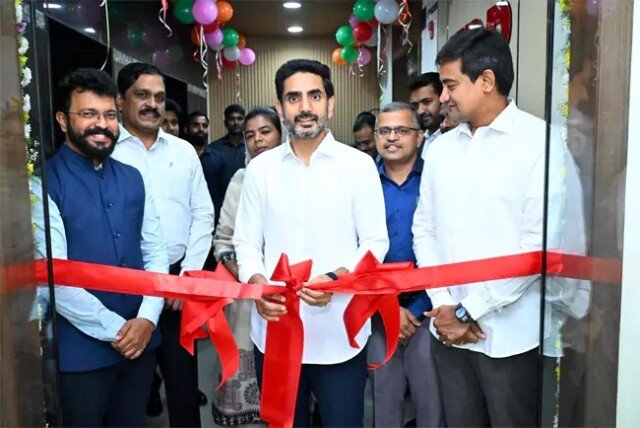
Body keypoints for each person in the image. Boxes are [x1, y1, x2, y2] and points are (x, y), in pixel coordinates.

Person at [412, 28, 564, 427]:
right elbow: (424, 230)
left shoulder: (541, 143)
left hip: (511, 339)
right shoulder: (440, 149)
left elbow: (537, 248)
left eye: (450, 85)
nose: (443, 97)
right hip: (448, 334)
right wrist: (445, 306)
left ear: (486, 80)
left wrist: (469, 309)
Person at [234, 59, 389, 427]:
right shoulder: (260, 169)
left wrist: (338, 279)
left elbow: (375, 241)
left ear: (330, 104)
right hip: (275, 331)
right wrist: (257, 284)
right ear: (280, 108)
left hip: (339, 333)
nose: (305, 107)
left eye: (314, 96)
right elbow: (246, 241)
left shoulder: (359, 165)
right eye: (294, 98)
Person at [35, 68, 168, 426]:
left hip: (141, 345)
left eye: (110, 115)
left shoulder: (133, 176)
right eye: (88, 114)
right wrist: (119, 330)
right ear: (63, 120)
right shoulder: (43, 183)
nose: (102, 125)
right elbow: (54, 275)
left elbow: (156, 252)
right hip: (82, 355)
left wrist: (147, 318)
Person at [112, 62, 214, 428]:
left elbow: (203, 215)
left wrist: (187, 278)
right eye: (142, 95)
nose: (152, 104)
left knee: (183, 383)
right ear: (120, 100)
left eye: (158, 97)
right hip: (124, 283)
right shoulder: (107, 151)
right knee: (129, 387)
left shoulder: (183, 151)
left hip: (176, 286)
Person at [368, 102, 443, 428]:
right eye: (384, 131)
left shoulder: (438, 179)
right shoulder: (362, 181)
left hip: (430, 309)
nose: (392, 138)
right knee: (383, 402)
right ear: (375, 137)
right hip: (375, 310)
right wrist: (388, 307)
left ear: (420, 137)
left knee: (432, 403)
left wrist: (416, 308)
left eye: (402, 130)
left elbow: (447, 247)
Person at [210, 107, 283, 425]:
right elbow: (223, 240)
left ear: (281, 134)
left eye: (265, 132)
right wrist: (250, 278)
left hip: (292, 294)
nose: (258, 140)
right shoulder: (240, 180)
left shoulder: (301, 178)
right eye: (250, 135)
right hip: (246, 296)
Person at [210, 104, 246, 221]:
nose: (236, 123)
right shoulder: (214, 149)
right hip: (222, 212)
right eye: (232, 119)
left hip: (248, 208)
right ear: (225, 123)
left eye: (239, 119)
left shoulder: (252, 147)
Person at [408, 72, 443, 159]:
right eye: (415, 105)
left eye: (427, 102)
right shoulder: (417, 142)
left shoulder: (457, 139)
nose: (420, 111)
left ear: (442, 98)